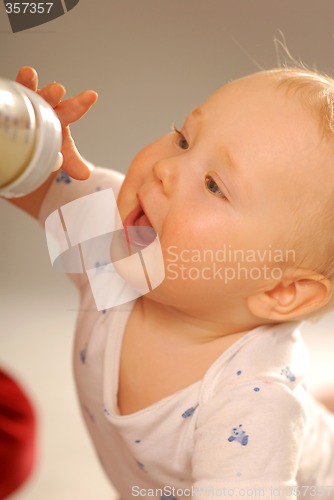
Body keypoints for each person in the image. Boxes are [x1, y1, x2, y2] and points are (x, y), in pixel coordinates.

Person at [4, 65, 334, 499]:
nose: (167, 168)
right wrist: (31, 142)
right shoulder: (112, 237)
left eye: (214, 185)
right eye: (183, 139)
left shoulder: (252, 406)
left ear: (280, 290)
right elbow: (30, 182)